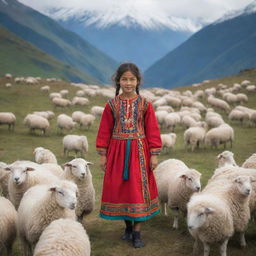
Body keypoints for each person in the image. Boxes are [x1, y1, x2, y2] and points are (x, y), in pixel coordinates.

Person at [96, 62, 162, 248]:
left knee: (138, 191)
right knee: (121, 190)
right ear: (118, 81)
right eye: (124, 79)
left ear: (138, 81)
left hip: (139, 153)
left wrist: (154, 154)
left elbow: (153, 131)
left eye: (132, 79)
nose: (128, 83)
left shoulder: (145, 104)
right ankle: (127, 226)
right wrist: (103, 154)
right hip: (117, 152)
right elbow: (104, 131)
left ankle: (137, 232)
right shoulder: (111, 105)